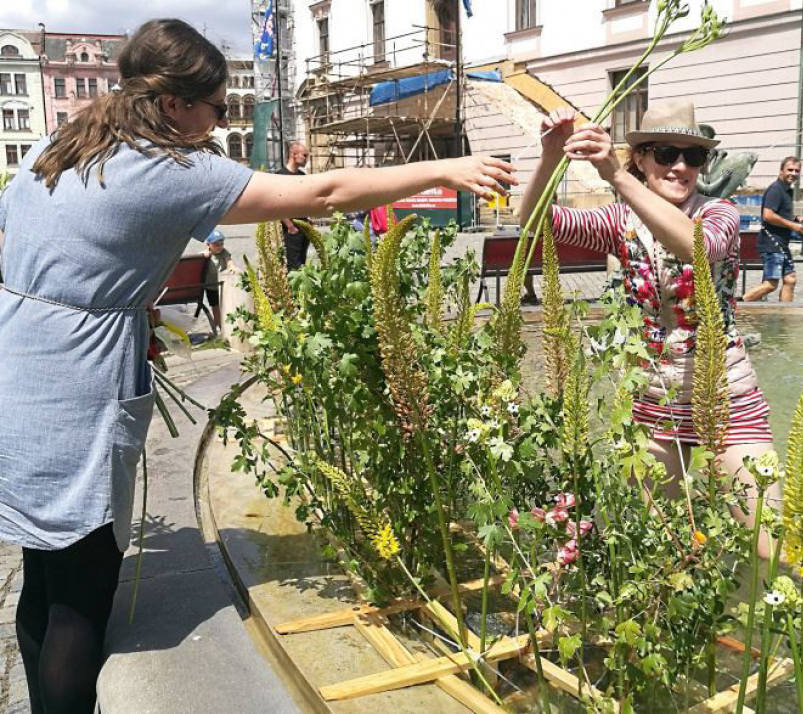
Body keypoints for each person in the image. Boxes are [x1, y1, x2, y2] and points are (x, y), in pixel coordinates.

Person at [0, 19, 514, 713]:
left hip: (17, 366)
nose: (220, 122)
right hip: (78, 385)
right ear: (177, 103)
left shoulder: (56, 147)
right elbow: (325, 195)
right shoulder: (168, 168)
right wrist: (445, 167)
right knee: (82, 597)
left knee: (43, 573)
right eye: (217, 108)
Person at [520, 100, 779, 556]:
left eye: (692, 156)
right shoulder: (620, 219)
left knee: (769, 546)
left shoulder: (719, 213)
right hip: (656, 399)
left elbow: (695, 246)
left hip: (727, 395)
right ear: (640, 157)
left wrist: (616, 178)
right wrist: (550, 155)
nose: (680, 166)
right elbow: (535, 223)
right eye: (665, 153)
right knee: (660, 544)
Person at [741, 157, 803, 302]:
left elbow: (781, 213)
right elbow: (768, 216)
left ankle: (785, 316)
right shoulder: (776, 190)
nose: (793, 173)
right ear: (781, 170)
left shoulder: (787, 190)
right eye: (790, 170)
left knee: (790, 279)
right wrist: (792, 226)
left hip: (781, 244)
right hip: (772, 244)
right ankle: (737, 306)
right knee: (770, 285)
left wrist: (796, 219)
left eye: (797, 170)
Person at [276, 141, 311, 271]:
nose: (307, 159)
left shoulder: (302, 176)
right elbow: (277, 204)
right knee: (294, 264)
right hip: (291, 228)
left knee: (302, 261)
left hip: (304, 225)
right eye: (305, 155)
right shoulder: (280, 175)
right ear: (294, 154)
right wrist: (289, 225)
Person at [200, 229, 237, 335]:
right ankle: (219, 326)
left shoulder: (224, 252)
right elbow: (200, 257)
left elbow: (229, 260)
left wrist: (232, 266)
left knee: (226, 305)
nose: (219, 247)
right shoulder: (206, 254)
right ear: (208, 245)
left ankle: (227, 325)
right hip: (211, 287)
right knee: (215, 307)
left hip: (223, 286)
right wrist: (204, 255)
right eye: (216, 244)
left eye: (221, 244)